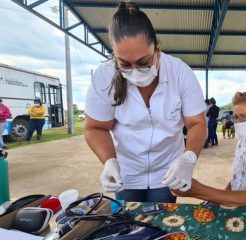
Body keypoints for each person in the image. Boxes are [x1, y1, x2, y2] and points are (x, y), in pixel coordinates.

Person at [84, 2, 206, 203]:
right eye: (124, 64)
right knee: (129, 225)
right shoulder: (104, 77)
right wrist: (109, 162)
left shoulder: (180, 72)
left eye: (143, 62)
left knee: (159, 224)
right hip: (127, 172)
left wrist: (188, 158)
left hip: (168, 170)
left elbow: (197, 123)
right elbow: (95, 128)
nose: (134, 70)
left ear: (157, 50)